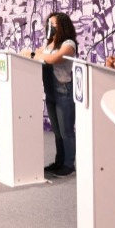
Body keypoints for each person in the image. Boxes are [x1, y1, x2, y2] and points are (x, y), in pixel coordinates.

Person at [23, 12, 78, 176]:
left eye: (52, 24)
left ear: (62, 26)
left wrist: (33, 54)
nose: (49, 27)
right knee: (57, 131)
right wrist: (31, 54)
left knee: (66, 131)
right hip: (50, 92)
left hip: (63, 91)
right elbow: (36, 55)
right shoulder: (48, 45)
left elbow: (54, 59)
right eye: (48, 24)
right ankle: (59, 161)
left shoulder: (69, 43)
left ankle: (69, 164)